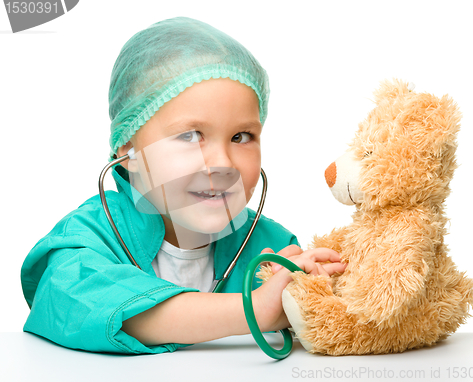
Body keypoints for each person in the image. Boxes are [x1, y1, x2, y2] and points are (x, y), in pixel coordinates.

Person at [20, 17, 346, 354]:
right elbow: (75, 301)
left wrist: (310, 293)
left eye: (241, 136)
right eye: (190, 136)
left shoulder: (271, 248)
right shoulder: (88, 237)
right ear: (129, 151)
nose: (222, 162)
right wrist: (255, 308)